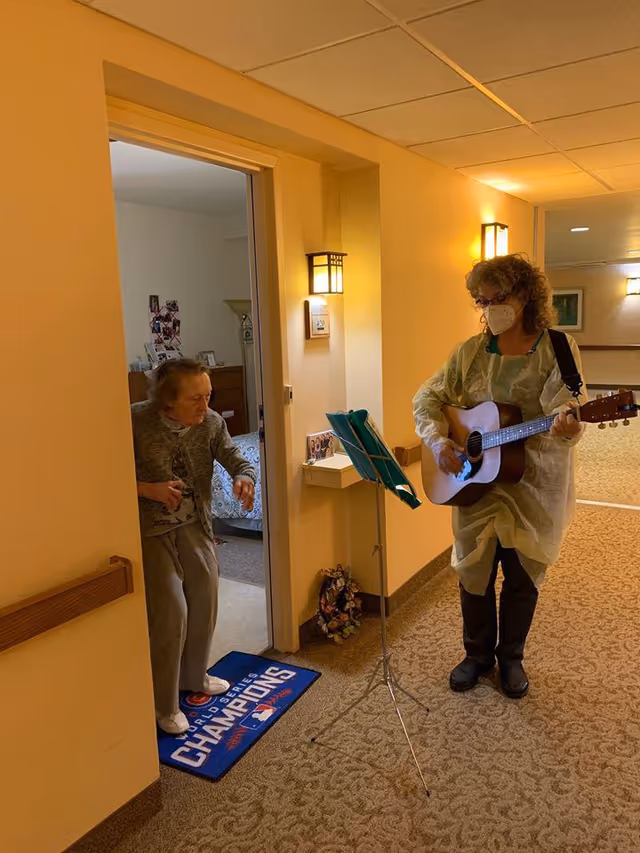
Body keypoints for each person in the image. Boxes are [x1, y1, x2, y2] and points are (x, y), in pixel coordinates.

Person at [413, 255, 584, 699]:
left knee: (522, 573)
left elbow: (566, 411)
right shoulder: (471, 352)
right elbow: (427, 398)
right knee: (474, 570)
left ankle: (511, 658)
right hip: (476, 481)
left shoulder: (558, 348)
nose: (489, 309)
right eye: (480, 301)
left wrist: (569, 424)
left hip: (534, 482)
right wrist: (437, 442)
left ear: (526, 294)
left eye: (498, 298)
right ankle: (476, 655)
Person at [132, 358, 256, 734]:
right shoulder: (135, 421)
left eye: (208, 396)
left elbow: (236, 459)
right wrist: (146, 488)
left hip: (195, 524)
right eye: (195, 399)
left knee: (205, 597)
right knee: (172, 612)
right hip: (151, 530)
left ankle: (195, 677)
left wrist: (244, 477)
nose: (206, 406)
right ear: (167, 400)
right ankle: (164, 704)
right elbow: (103, 473)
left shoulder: (213, 424)